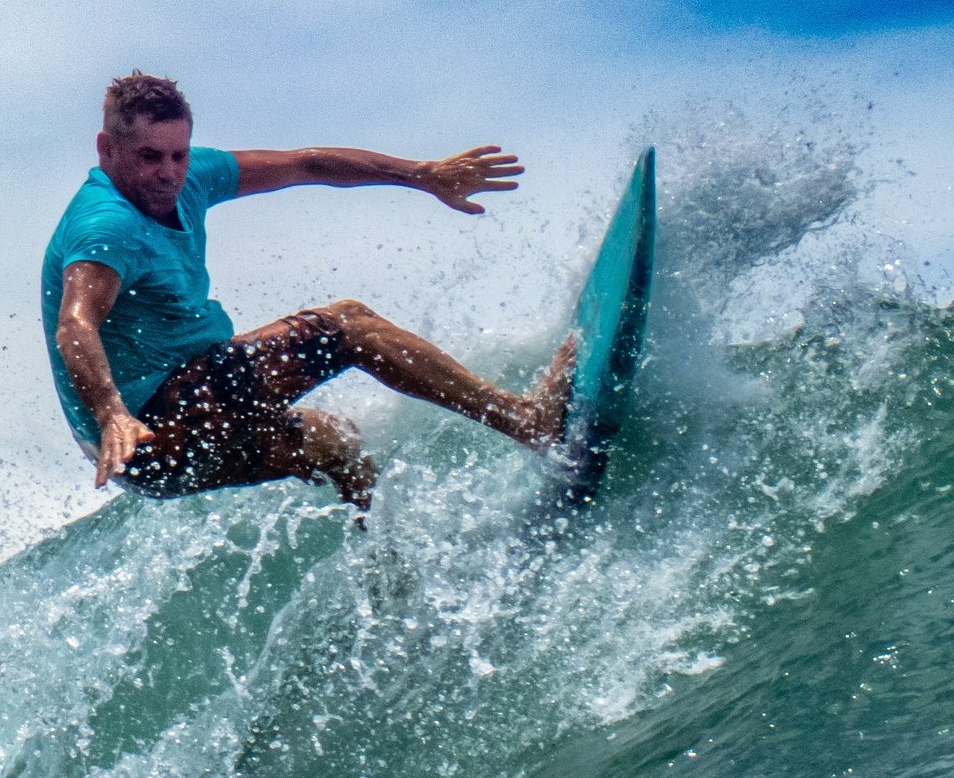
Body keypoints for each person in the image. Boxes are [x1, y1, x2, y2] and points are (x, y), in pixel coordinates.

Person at [42, 71, 576, 507]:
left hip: (153, 456)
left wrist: (423, 174)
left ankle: (387, 589)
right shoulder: (106, 228)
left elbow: (305, 163)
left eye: (178, 155)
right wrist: (113, 411)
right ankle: (526, 421)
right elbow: (76, 323)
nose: (168, 173)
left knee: (337, 444)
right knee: (346, 324)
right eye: (149, 157)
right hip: (147, 428)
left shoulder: (193, 176)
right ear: (107, 148)